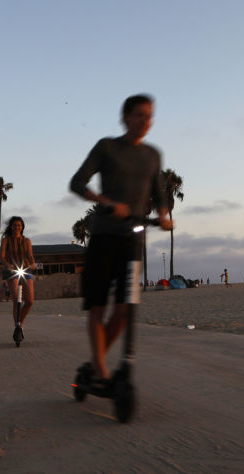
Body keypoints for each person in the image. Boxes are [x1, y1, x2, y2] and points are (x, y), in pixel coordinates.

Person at [69, 93, 172, 382]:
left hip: (133, 241)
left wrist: (164, 215)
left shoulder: (152, 154)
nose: (145, 121)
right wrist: (106, 202)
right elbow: (77, 182)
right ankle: (101, 370)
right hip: (104, 236)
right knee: (98, 305)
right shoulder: (107, 147)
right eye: (139, 114)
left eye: (149, 116)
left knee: (125, 310)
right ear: (125, 117)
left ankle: (94, 362)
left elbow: (160, 192)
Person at [0, 216, 36, 342]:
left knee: (30, 300)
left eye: (19, 225)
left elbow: (31, 256)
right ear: (11, 226)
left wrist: (33, 263)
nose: (17, 227)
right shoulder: (6, 240)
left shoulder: (26, 241)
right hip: (11, 270)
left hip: (25, 269)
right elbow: (2, 256)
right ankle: (17, 326)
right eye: (15, 225)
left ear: (22, 227)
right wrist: (7, 264)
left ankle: (20, 322)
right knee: (16, 299)